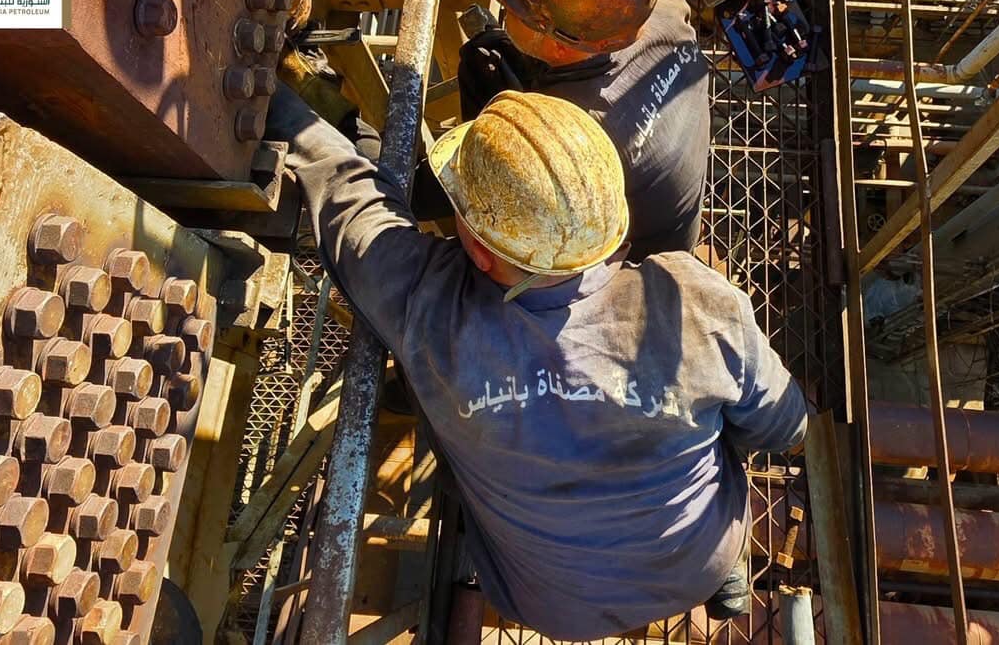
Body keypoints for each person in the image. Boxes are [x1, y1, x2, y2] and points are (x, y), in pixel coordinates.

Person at [268, 86, 808, 640]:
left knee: (437, 399)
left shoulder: (429, 306)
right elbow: (786, 428)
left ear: (479, 251)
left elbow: (349, 198)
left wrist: (279, 102)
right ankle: (721, 570)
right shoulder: (698, 304)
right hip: (702, 560)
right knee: (725, 410)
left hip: (553, 608)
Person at [459, 0, 711, 261]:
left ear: (559, 45)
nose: (503, 6)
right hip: (673, 204)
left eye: (510, 6)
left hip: (633, 263)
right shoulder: (659, 3)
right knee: (489, 57)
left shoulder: (569, 134)